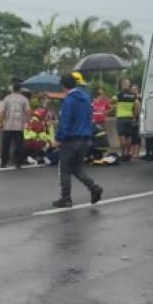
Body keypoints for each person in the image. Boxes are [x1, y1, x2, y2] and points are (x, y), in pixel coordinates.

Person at [52, 72, 103, 208]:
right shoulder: (86, 99)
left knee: (65, 170)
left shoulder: (69, 101)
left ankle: (66, 198)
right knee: (77, 168)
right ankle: (93, 187)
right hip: (85, 138)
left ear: (63, 86)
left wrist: (58, 139)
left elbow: (65, 122)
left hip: (71, 139)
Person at [0, 79, 30, 168]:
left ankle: (3, 162)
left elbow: (3, 112)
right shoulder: (24, 99)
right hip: (19, 126)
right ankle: (18, 162)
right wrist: (28, 122)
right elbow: (28, 112)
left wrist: (1, 122)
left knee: (6, 145)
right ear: (20, 89)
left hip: (8, 126)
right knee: (19, 145)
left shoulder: (7, 98)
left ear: (12, 89)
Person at [114, 77, 138, 161]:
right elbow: (136, 107)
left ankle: (123, 154)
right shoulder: (133, 95)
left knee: (122, 137)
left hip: (121, 118)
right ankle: (128, 154)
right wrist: (134, 117)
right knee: (129, 137)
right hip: (130, 117)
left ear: (122, 84)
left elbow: (111, 101)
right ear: (129, 85)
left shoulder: (119, 94)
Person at [130, 84, 143, 160]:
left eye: (135, 89)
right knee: (132, 136)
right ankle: (132, 152)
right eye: (132, 89)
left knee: (137, 136)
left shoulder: (139, 98)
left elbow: (139, 109)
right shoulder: (130, 98)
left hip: (138, 119)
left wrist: (135, 117)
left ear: (138, 90)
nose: (134, 91)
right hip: (131, 118)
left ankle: (137, 153)